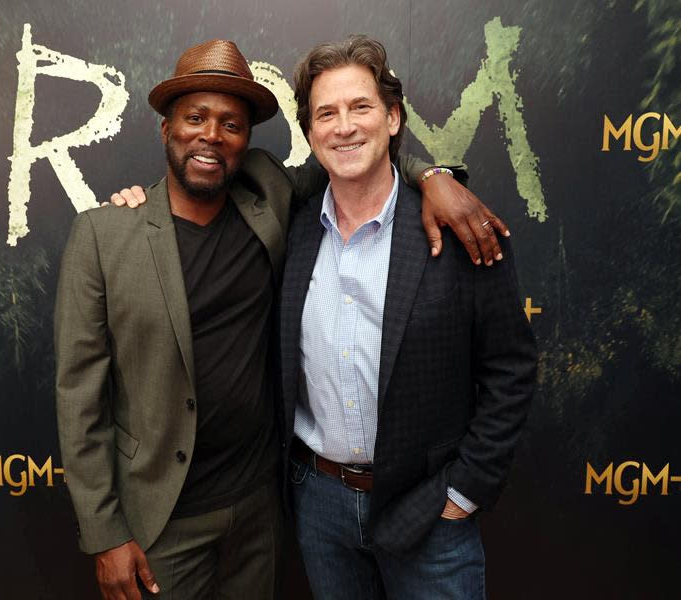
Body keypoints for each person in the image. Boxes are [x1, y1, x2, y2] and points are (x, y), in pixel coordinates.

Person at [56, 39, 507, 600]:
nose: (211, 136)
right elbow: (80, 398)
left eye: (231, 124)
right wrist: (104, 535)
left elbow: (359, 159)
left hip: (259, 508)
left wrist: (434, 174)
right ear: (165, 127)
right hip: (159, 518)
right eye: (195, 118)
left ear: (247, 141)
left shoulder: (267, 195)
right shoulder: (104, 236)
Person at [277, 35, 537, 599]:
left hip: (428, 509)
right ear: (310, 131)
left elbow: (511, 369)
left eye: (360, 107)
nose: (343, 126)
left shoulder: (460, 227)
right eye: (326, 113)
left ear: (393, 118)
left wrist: (463, 493)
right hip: (318, 503)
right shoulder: (290, 225)